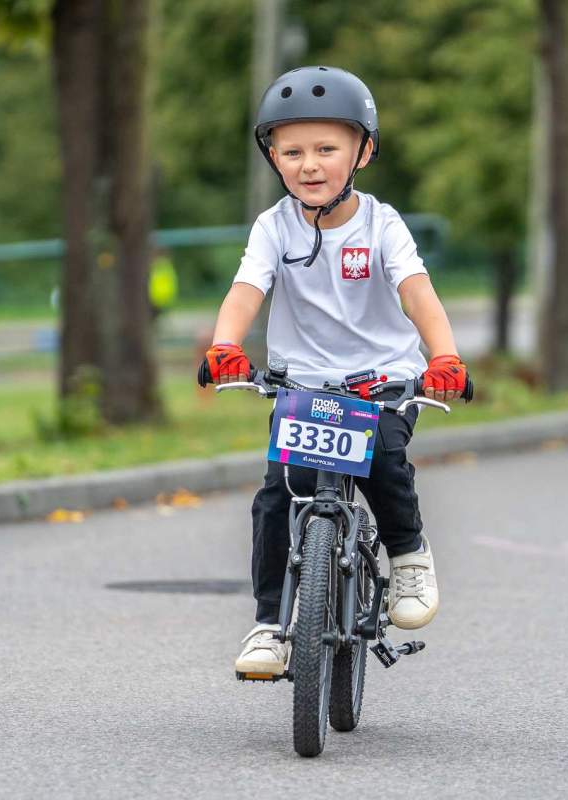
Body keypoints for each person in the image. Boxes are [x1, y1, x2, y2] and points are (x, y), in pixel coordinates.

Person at [197, 66, 468, 676]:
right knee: (275, 498)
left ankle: (408, 555)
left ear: (362, 151)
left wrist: (444, 356)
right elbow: (246, 290)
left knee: (384, 462)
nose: (309, 164)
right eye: (291, 151)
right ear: (273, 157)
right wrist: (225, 344)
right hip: (302, 386)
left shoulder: (382, 224)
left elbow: (418, 293)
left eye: (326, 149)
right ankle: (270, 624)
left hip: (381, 380)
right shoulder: (275, 226)